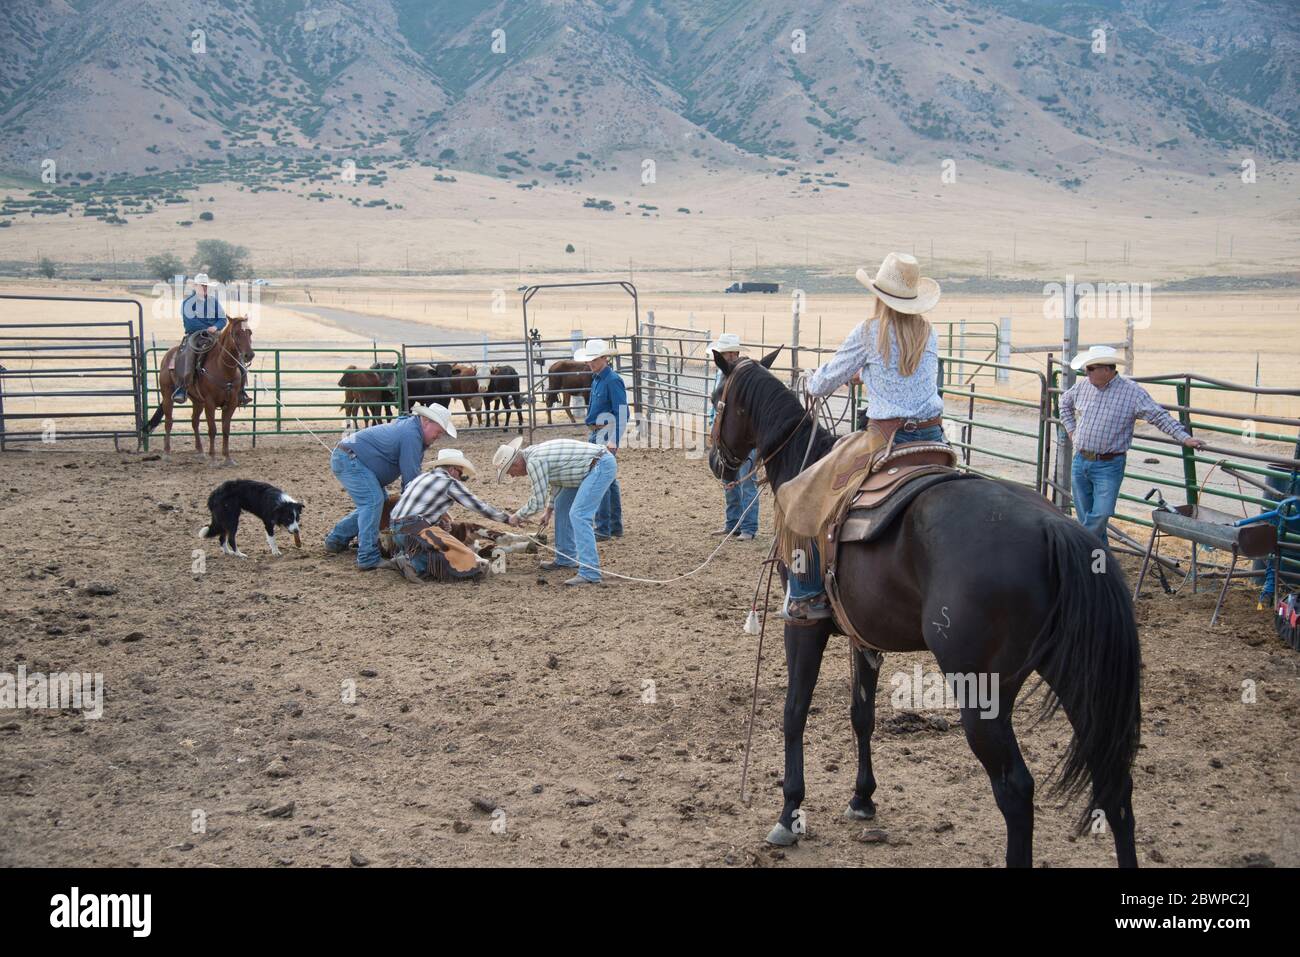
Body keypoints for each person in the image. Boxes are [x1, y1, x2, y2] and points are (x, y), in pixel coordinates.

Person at [779, 252, 946, 621]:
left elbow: (824, 382)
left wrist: (810, 378)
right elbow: (909, 379)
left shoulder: (870, 331)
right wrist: (870, 376)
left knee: (803, 493)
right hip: (933, 437)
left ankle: (807, 595)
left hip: (885, 440)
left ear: (878, 294)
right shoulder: (927, 332)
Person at [1060, 345, 1205, 543]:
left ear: (1107, 370)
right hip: (1081, 460)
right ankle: (1097, 564)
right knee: (1087, 515)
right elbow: (1064, 403)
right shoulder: (1083, 386)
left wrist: (1184, 437)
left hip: (1108, 464)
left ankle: (1076, 546)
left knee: (1100, 514)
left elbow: (1158, 416)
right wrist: (1072, 431)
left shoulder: (1132, 393)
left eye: (1091, 368)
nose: (1087, 372)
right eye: (1086, 368)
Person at [324, 402, 456, 570]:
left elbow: (411, 481)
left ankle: (336, 540)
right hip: (350, 459)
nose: (439, 435)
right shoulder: (411, 436)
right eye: (439, 431)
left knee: (377, 502)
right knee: (373, 501)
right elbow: (411, 482)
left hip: (350, 457)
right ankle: (367, 557)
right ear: (426, 421)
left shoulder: (412, 431)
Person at [493, 436, 617, 585]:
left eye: (510, 471)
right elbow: (557, 479)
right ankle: (565, 558)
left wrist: (517, 516)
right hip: (589, 466)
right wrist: (549, 510)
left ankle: (590, 572)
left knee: (579, 515)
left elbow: (537, 501)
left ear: (516, 463)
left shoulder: (534, 462)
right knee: (562, 505)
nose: (512, 476)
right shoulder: (534, 454)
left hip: (598, 466)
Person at [388, 448, 522, 583]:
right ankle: (415, 565)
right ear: (452, 470)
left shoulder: (420, 478)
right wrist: (507, 518)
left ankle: (406, 557)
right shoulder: (449, 482)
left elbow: (416, 505)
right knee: (471, 564)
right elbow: (478, 506)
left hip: (395, 532)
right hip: (415, 530)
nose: (460, 476)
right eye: (460, 472)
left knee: (437, 546)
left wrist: (438, 519)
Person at [707, 333, 758, 540]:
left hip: (744, 438)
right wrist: (713, 427)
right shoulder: (721, 376)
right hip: (726, 438)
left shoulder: (745, 377)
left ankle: (748, 527)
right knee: (728, 479)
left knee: (746, 481)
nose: (728, 357)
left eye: (728, 353)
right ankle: (733, 524)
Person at [173, 273, 250, 407]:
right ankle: (183, 388)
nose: (204, 288)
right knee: (190, 353)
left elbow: (222, 319)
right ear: (195, 286)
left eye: (206, 286)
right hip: (195, 335)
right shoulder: (187, 303)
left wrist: (216, 327)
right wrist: (208, 328)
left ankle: (241, 391)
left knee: (234, 354)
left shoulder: (213, 301)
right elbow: (190, 323)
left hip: (215, 334)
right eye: (201, 285)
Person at [576, 338, 627, 541]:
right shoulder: (598, 378)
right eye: (589, 360)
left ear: (605, 358)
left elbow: (622, 413)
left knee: (599, 477)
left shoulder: (612, 380)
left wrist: (613, 438)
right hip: (598, 431)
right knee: (609, 479)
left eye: (595, 359)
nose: (591, 363)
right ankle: (614, 526)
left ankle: (602, 527)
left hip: (606, 431)